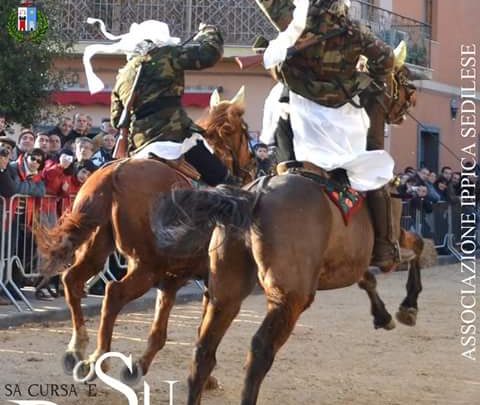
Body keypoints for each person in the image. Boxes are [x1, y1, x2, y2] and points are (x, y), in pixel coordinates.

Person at [256, 0, 414, 271]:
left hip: (296, 108)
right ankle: (386, 247)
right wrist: (361, 78)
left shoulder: (294, 20)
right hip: (339, 118)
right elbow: (386, 61)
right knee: (374, 170)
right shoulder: (355, 32)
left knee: (273, 154)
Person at [83, 19, 235, 186]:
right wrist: (209, 30)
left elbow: (116, 119)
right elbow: (208, 55)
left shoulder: (123, 74)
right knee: (225, 182)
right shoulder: (168, 54)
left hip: (139, 145)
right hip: (174, 137)